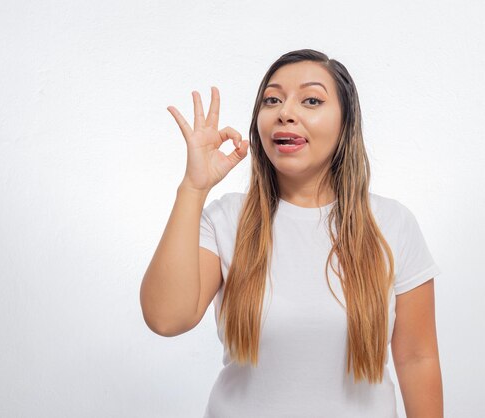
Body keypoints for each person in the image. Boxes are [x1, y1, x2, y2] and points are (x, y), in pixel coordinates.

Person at [140, 49, 443, 418]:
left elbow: (417, 357)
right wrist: (193, 188)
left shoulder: (392, 224)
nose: (285, 112)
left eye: (311, 100)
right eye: (272, 100)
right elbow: (166, 319)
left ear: (346, 123)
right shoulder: (226, 219)